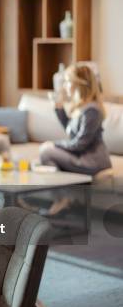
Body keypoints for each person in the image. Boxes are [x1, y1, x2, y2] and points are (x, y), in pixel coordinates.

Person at [39, 62, 112, 214]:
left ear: (79, 84)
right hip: (82, 157)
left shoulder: (92, 110)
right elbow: (71, 132)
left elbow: (79, 144)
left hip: (92, 161)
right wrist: (58, 107)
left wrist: (54, 144)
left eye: (67, 81)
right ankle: (65, 199)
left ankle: (63, 199)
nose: (65, 86)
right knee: (43, 159)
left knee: (46, 152)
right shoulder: (82, 107)